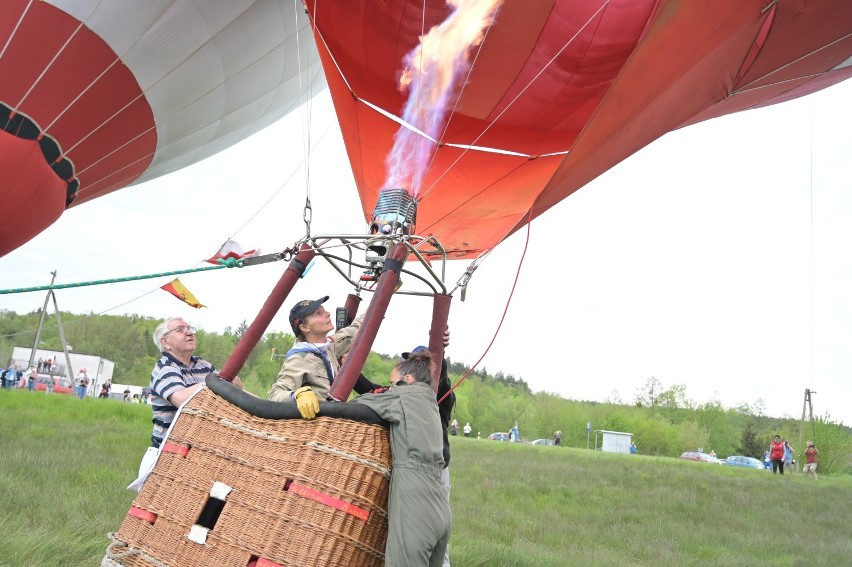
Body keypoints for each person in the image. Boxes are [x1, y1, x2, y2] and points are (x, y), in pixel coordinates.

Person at [344, 350, 451, 566]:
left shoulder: (402, 396)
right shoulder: (430, 401)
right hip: (441, 506)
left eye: (392, 382)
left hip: (415, 502)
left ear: (408, 380)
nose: (389, 387)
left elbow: (355, 405)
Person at [149, 318, 242, 448]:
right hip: (170, 451)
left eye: (189, 328)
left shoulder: (203, 364)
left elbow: (225, 388)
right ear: (165, 342)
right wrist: (216, 382)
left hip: (200, 447)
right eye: (180, 330)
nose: (189, 333)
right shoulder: (165, 368)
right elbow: (183, 401)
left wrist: (238, 389)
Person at [267, 296, 365, 416]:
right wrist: (296, 396)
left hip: (335, 423)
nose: (328, 314)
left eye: (324, 310)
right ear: (305, 327)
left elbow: (354, 330)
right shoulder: (299, 359)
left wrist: (382, 297)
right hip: (314, 428)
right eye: (319, 313)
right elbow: (275, 395)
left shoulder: (328, 347)